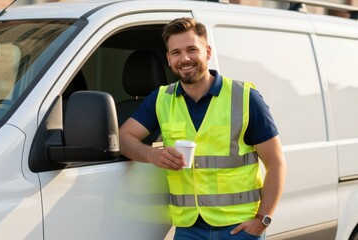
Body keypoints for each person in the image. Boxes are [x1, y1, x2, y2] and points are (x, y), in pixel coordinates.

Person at [119, 17, 287, 240]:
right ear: (169, 59)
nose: (185, 58)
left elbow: (276, 163)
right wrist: (151, 154)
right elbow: (123, 137)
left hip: (238, 229)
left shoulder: (245, 97)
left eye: (192, 49)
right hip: (189, 229)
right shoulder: (161, 99)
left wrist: (262, 219)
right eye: (176, 52)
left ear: (207, 52)